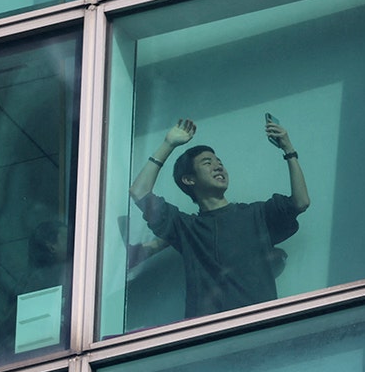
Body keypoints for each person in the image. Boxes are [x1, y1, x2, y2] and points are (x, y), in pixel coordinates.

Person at [128, 117, 310, 318]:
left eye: (220, 163)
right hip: (208, 336)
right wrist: (168, 144)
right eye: (208, 163)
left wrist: (289, 150)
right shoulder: (187, 228)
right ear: (189, 179)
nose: (218, 167)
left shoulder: (255, 215)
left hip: (260, 327)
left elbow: (300, 202)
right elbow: (139, 192)